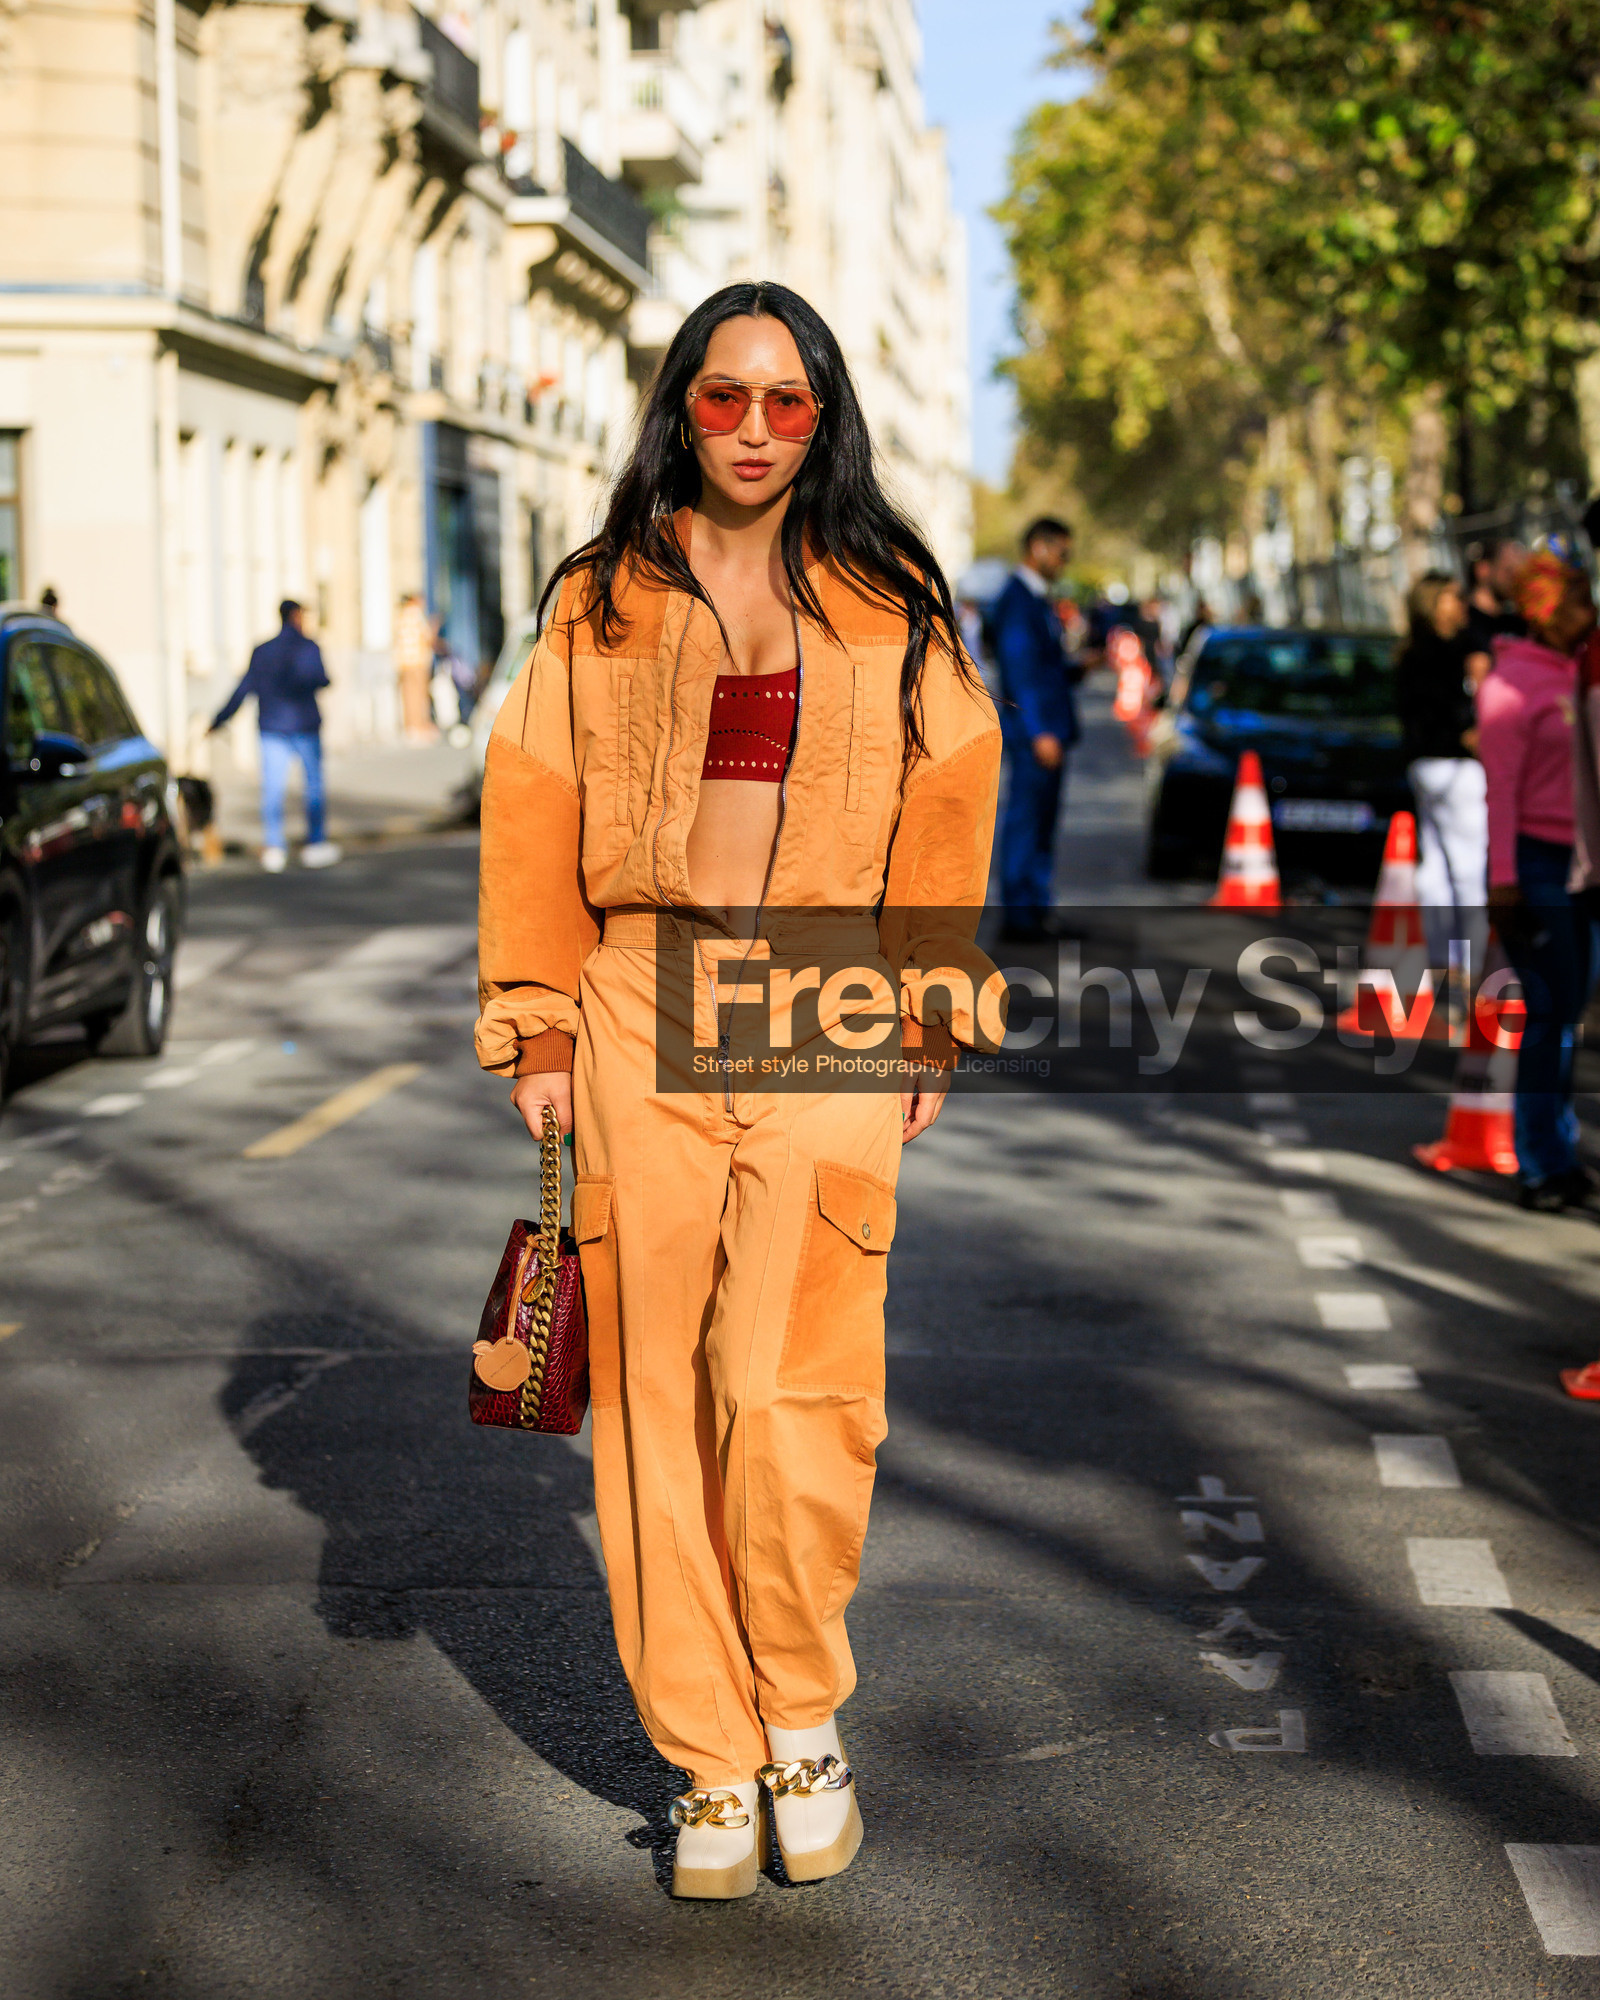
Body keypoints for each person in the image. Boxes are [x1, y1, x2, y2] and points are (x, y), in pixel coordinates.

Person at [475, 281, 1000, 1899]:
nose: (757, 428)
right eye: (726, 398)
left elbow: (952, 789)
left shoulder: (886, 592)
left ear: (825, 413)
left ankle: (801, 1718)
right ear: (679, 409)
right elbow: (534, 801)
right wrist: (541, 1032)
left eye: (787, 401)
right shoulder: (599, 600)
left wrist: (929, 1013)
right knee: (646, 1414)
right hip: (641, 999)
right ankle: (709, 1761)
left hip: (827, 1003)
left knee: (788, 1399)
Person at [1477, 550, 1598, 1210]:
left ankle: (1559, 1146)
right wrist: (1503, 884)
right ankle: (1539, 1163)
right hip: (1533, 868)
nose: (1590, 610)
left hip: (1582, 866)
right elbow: (1500, 793)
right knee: (1548, 1015)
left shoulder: (1578, 672)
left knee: (1570, 1014)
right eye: (1577, 599)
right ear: (1546, 612)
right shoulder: (1509, 688)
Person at [989, 517, 1078, 941]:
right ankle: (1019, 916)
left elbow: (1045, 669)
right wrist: (1041, 731)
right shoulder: (1019, 599)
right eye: (1063, 552)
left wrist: (1078, 667)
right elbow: (1021, 673)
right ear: (1039, 548)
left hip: (1048, 731)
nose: (1065, 561)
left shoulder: (1036, 599)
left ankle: (1037, 909)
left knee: (1042, 823)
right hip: (1034, 735)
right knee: (1026, 822)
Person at [1396, 571, 1486, 973]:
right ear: (1434, 604)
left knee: (1434, 862)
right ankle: (1473, 963)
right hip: (1453, 766)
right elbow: (1455, 713)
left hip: (1423, 765)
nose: (1460, 604)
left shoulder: (1408, 652)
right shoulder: (1451, 651)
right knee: (1468, 869)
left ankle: (1441, 956)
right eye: (1452, 597)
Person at [210, 599, 341, 873]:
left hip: (272, 727)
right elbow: (322, 678)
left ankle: (275, 847)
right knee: (313, 786)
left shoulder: (262, 650)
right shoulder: (309, 647)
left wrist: (219, 719)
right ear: (296, 616)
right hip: (304, 725)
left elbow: (244, 688)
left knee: (273, 789)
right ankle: (315, 843)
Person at [1464, 537, 1526, 676]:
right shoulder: (1464, 626)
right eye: (1508, 571)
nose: (1516, 579)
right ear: (1483, 570)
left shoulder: (1517, 622)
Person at [394, 591, 437, 740]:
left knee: (408, 696)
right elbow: (427, 637)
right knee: (419, 696)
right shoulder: (416, 615)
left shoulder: (401, 616)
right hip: (418, 661)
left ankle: (410, 727)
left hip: (404, 662)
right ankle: (419, 727)